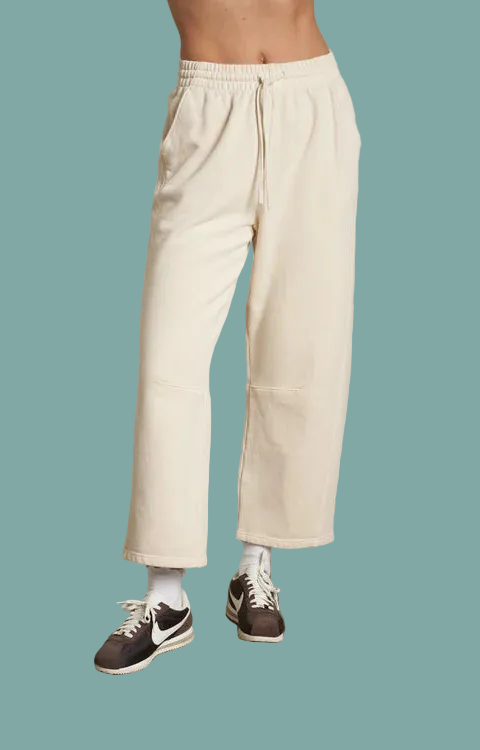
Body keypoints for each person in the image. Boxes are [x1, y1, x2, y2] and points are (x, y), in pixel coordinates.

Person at [94, 0, 361, 675]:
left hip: (310, 100)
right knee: (168, 362)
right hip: (208, 107)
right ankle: (166, 597)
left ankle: (254, 569)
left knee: (299, 346)